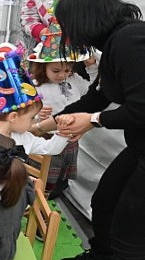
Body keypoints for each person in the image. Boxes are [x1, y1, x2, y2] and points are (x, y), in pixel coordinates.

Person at [35, 0, 145, 260]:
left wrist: (93, 121)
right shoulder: (117, 43)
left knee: (130, 240)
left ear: (83, 21)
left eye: (66, 26)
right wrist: (48, 123)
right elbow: (98, 97)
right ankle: (104, 257)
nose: (66, 35)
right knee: (105, 201)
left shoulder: (130, 41)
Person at [0, 43, 69, 191]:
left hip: (4, 192)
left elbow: (50, 148)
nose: (33, 123)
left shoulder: (23, 137)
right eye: (31, 118)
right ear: (13, 116)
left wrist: (63, 132)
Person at [27, 23, 98, 198]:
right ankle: (39, 200)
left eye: (67, 70)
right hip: (46, 139)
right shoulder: (36, 87)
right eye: (56, 70)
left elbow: (94, 91)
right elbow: (23, 115)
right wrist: (36, 115)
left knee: (62, 177)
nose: (62, 75)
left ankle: (54, 198)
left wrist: (92, 67)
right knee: (42, 177)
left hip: (70, 140)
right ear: (43, 67)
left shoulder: (74, 80)